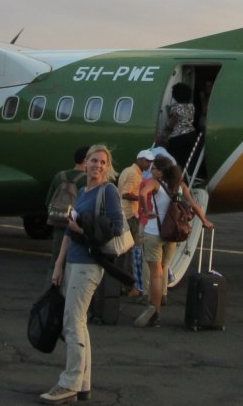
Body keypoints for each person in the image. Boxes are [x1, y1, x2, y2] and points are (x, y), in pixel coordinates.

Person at [42, 144, 126, 405]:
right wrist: (58, 264)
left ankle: (69, 383)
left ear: (107, 166)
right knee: (79, 324)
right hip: (73, 263)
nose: (97, 165)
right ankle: (83, 384)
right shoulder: (83, 192)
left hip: (89, 264)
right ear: (85, 163)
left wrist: (81, 230)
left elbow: (117, 227)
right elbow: (68, 230)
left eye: (103, 162)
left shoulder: (108, 191)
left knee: (72, 323)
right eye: (93, 160)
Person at [134, 156, 213, 328]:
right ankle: (162, 296)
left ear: (161, 171)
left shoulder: (155, 183)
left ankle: (155, 311)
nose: (152, 171)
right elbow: (193, 204)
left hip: (154, 232)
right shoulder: (179, 186)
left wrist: (146, 210)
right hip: (171, 234)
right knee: (164, 267)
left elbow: (141, 193)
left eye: (154, 168)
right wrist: (205, 221)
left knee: (155, 273)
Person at [45, 146, 89, 267]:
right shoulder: (87, 180)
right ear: (86, 160)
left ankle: (52, 282)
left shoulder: (59, 176)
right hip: (76, 225)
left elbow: (48, 201)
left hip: (59, 221)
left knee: (56, 258)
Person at [117, 149, 151, 297]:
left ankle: (119, 283)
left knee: (123, 251)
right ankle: (129, 285)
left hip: (123, 213)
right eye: (147, 161)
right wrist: (142, 199)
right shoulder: (134, 174)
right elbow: (125, 193)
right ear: (140, 159)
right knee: (132, 252)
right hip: (130, 215)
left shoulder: (127, 170)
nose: (149, 164)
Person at [158, 83, 199, 172]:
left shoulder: (175, 107)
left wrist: (167, 128)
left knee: (175, 159)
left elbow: (174, 120)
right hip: (191, 134)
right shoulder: (191, 106)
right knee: (187, 159)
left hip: (178, 136)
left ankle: (174, 176)